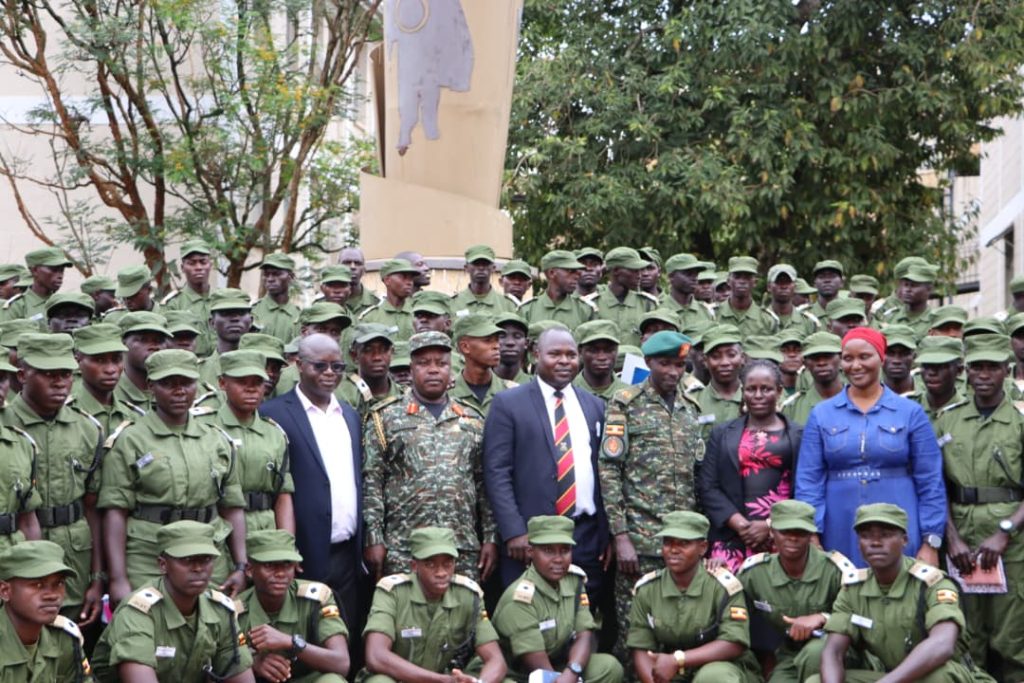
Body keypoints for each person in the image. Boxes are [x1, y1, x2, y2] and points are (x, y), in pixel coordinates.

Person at [99, 349, 248, 600]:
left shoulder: (216, 439)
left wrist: (241, 565)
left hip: (208, 554)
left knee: (211, 625)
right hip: (150, 555)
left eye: (187, 383)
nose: (179, 391)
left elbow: (232, 505)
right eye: (168, 384)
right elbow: (115, 510)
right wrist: (118, 578)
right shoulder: (130, 439)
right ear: (150, 386)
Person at [795, 327, 947, 566]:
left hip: (899, 520)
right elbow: (808, 481)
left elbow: (930, 481)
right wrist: (812, 534)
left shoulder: (910, 412)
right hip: (839, 522)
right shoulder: (822, 414)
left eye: (864, 356)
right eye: (848, 358)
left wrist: (931, 541)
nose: (856, 365)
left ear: (881, 358)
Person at [259, 333, 367, 665]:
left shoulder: (349, 414)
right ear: (299, 365)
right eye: (320, 365)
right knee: (302, 638)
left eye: (338, 366)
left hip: (349, 551)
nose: (330, 373)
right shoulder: (274, 413)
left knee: (344, 635)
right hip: (304, 551)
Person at [483, 326, 610, 599]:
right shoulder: (508, 403)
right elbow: (496, 473)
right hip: (530, 537)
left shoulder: (595, 406)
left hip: (584, 534)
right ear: (536, 354)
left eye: (571, 354)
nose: (564, 361)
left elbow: (603, 472)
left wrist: (606, 532)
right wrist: (514, 531)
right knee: (529, 614)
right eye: (555, 354)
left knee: (582, 613)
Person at [598, 330, 703, 655]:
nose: (673, 372)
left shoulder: (690, 409)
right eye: (665, 363)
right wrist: (621, 535)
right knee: (636, 631)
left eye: (680, 365)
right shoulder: (626, 403)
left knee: (677, 629)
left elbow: (695, 478)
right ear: (648, 363)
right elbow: (609, 470)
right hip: (641, 542)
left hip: (682, 543)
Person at [363, 331, 497, 582]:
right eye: (423, 364)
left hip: (461, 545)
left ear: (452, 369)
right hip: (404, 546)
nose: (433, 370)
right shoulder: (385, 417)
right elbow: (372, 482)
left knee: (462, 616)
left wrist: (490, 537)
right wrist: (374, 538)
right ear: (411, 369)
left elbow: (483, 484)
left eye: (441, 363)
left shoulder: (472, 418)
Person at [810, 503, 993, 683]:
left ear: (904, 540)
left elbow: (942, 644)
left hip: (940, 675)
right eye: (866, 536)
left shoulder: (931, 584)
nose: (875, 542)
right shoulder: (853, 589)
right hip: (891, 675)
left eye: (886, 535)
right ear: (859, 544)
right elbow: (833, 651)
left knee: (939, 677)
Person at [934, 333, 1024, 680]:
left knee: (1012, 635)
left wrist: (1005, 532)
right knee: (966, 633)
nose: (984, 375)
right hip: (961, 534)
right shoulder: (947, 419)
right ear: (966, 373)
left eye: (992, 367)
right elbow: (935, 484)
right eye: (977, 368)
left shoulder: (1018, 419)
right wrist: (951, 537)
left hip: (1011, 538)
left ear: (1007, 370)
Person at [6, 332, 105, 626]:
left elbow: (93, 507)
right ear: (23, 375)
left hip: (75, 554)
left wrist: (97, 577)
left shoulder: (88, 429)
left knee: (72, 646)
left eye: (65, 374)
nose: (59, 382)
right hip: (17, 550)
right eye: (48, 374)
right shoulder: (6, 426)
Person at [91, 520, 256, 682]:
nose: (198, 568)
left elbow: (240, 675)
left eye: (205, 559)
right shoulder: (137, 613)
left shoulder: (220, 609)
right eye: (187, 560)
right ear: (163, 565)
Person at [627, 511, 761, 683]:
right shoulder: (647, 589)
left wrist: (679, 659)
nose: (674, 550)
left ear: (703, 548)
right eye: (668, 543)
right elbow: (641, 647)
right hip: (671, 671)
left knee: (713, 677)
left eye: (684, 543)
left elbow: (734, 643)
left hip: (722, 667)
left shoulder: (723, 586)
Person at [361, 527, 507, 683]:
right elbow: (376, 656)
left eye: (448, 564)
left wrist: (479, 682)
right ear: (414, 566)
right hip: (399, 678)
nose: (441, 572)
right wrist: (439, 680)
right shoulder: (393, 593)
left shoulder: (468, 595)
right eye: (431, 565)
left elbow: (496, 660)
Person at [493, 515, 623, 683]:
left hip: (558, 666)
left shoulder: (573, 581)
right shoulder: (520, 598)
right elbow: (535, 662)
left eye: (565, 550)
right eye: (548, 550)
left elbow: (584, 634)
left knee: (609, 667)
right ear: (531, 552)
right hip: (517, 672)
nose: (558, 559)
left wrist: (572, 672)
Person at [699, 360, 802, 572]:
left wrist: (770, 525)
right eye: (751, 389)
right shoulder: (722, 433)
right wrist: (740, 524)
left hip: (781, 535)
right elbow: (708, 485)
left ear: (779, 391)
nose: (758, 395)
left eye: (766, 389)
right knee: (728, 599)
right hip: (730, 535)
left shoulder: (798, 434)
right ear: (742, 391)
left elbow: (804, 486)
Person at [738, 500, 856, 683]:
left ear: (811, 534)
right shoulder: (754, 573)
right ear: (771, 532)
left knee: (815, 652)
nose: (792, 538)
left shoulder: (836, 570)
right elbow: (728, 611)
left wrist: (823, 618)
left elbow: (862, 618)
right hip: (790, 654)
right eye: (785, 531)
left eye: (800, 532)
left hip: (842, 652)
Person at [194, 350, 295, 536]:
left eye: (257, 383)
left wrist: (286, 542)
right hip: (217, 529)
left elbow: (283, 494)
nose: (251, 389)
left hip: (264, 529)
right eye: (242, 382)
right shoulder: (204, 427)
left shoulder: (274, 433)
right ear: (223, 383)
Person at [236, 530, 350, 682]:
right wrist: (252, 662)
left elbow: (341, 663)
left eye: (287, 564)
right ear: (249, 570)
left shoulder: (315, 598)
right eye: (269, 565)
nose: (280, 574)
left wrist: (291, 642)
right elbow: (216, 668)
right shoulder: (233, 611)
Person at [0, 540, 92, 681]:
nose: (52, 595)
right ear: (5, 591)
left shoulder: (63, 638)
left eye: (58, 583)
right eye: (37, 585)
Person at [69, 323, 146, 435]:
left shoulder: (135, 416)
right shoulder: (66, 416)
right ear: (78, 360)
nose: (110, 369)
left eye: (116, 359)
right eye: (99, 360)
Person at [591, 247, 657, 347]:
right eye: (634, 270)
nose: (640, 275)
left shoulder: (647, 304)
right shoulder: (591, 304)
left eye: (640, 270)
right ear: (616, 270)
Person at [450, 313, 515, 416]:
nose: (497, 346)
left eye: (497, 340)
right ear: (465, 347)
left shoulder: (513, 392)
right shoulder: (446, 394)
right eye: (488, 341)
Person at [160, 239, 216, 356]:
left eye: (203, 262)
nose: (198, 267)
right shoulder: (173, 304)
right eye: (192, 263)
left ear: (210, 265)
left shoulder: (221, 300)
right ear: (182, 267)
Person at [336, 324, 403, 419]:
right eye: (368, 350)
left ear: (391, 353)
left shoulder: (404, 396)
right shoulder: (340, 394)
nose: (377, 357)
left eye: (383, 350)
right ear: (354, 355)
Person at [780, 331, 844, 426]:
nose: (821, 362)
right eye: (815, 357)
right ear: (804, 362)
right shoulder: (792, 407)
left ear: (841, 358)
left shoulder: (858, 399)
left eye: (828, 356)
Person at [519, 250, 597, 328]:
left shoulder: (585, 310)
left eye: (577, 272)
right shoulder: (528, 310)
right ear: (552, 273)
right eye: (571, 271)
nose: (576, 276)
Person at [114, 311, 173, 410]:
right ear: (123, 343)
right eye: (143, 340)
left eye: (159, 340)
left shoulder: (179, 393)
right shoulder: (108, 393)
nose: (154, 346)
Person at [199, 288, 256, 386]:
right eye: (225, 313)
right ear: (212, 323)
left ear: (251, 321)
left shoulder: (263, 369)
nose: (235, 318)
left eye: (241, 313)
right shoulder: (198, 372)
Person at [695, 324, 745, 436]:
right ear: (705, 361)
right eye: (716, 356)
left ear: (742, 358)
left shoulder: (757, 400)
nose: (724, 362)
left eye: (731, 355)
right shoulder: (693, 402)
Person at [1, 246, 72, 322]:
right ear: (34, 270)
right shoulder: (17, 307)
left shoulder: (66, 304)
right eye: (53, 270)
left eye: (61, 270)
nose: (60, 276)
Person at [716, 257, 778, 340]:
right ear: (728, 281)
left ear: (755, 282)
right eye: (737, 277)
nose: (742, 281)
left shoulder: (767, 320)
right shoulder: (713, 314)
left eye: (747, 277)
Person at [359, 259, 420, 341]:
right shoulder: (370, 318)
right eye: (403, 277)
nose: (409, 282)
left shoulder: (418, 314)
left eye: (411, 278)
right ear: (387, 280)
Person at [451, 245, 517, 315]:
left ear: (493, 268)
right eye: (476, 263)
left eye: (485, 263)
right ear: (466, 268)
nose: (481, 267)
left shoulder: (507, 305)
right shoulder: (453, 304)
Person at [572, 320, 628, 401]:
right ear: (580, 351)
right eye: (593, 350)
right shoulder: (568, 392)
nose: (602, 357)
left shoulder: (630, 395)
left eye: (609, 350)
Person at [252, 253, 301, 343]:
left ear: (291, 277)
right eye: (266, 274)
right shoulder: (252, 312)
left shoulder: (300, 317)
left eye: (277, 274)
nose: (270, 279)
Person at [915, 336, 966, 421]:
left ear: (959, 370)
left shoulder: (968, 412)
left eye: (941, 366)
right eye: (926, 366)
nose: (932, 373)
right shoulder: (906, 408)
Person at [661, 253, 715, 330]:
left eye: (696, 274)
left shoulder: (706, 311)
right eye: (688, 274)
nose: (694, 278)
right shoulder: (659, 310)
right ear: (671, 277)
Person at [767, 264, 817, 336]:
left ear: (795, 287)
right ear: (769, 287)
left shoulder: (809, 322)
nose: (784, 286)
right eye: (779, 282)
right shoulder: (758, 320)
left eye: (788, 282)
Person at [339, 247, 381, 317]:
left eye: (358, 263)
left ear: (364, 270)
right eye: (347, 263)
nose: (352, 267)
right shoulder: (324, 302)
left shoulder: (377, 302)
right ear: (337, 267)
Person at [494, 312, 532, 384]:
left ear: (526, 343)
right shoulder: (478, 384)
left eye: (517, 336)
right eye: (502, 336)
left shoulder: (537, 386)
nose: (510, 342)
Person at [881, 324, 917, 396]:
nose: (896, 360)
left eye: (904, 353)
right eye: (889, 353)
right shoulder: (865, 393)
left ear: (914, 356)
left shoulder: (928, 392)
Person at [808, 260, 845, 325]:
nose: (827, 280)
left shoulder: (850, 312)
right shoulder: (805, 315)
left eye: (833, 276)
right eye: (821, 277)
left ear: (842, 282)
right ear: (814, 283)